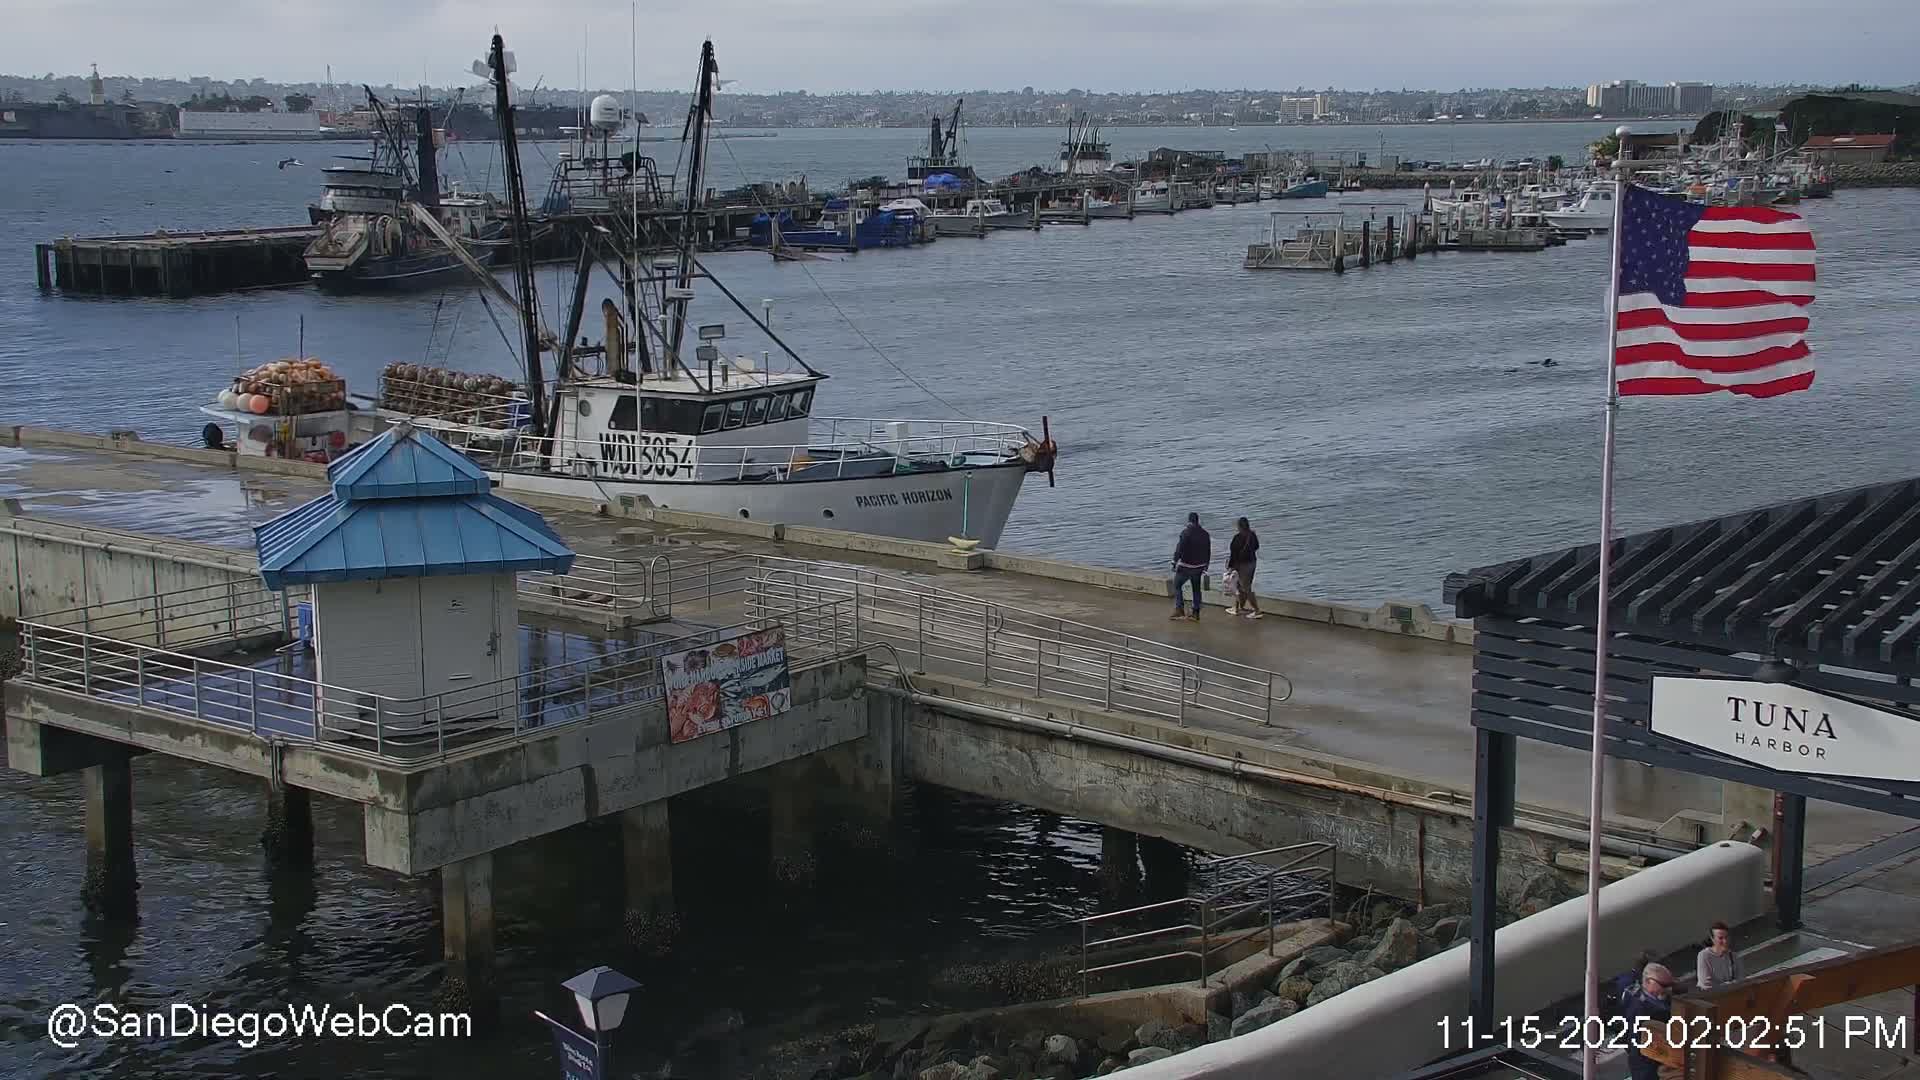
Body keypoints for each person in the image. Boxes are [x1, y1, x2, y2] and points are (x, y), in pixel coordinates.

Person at [1619, 961, 1675, 1080]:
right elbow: (1635, 1041)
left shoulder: (1660, 1000)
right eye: (1663, 985)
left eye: (1670, 984)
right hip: (1647, 1064)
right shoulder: (1639, 1009)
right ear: (1648, 981)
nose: (1668, 989)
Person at [1170, 512, 1210, 622]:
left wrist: (1174, 561)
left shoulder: (1185, 533)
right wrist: (1206, 565)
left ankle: (1179, 610)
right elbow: (1208, 551)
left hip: (1186, 566)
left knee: (1177, 585)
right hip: (1199, 566)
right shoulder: (1205, 534)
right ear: (1198, 520)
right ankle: (1195, 613)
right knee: (1196, 589)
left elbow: (1179, 549)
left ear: (1189, 521)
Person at [1226, 517, 1262, 619]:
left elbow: (1233, 554)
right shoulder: (1252, 535)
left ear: (1239, 526)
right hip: (1252, 563)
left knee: (1245, 587)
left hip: (1241, 565)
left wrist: (1230, 567)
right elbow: (1256, 547)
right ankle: (1237, 608)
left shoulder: (1237, 538)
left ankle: (1257, 610)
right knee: (1238, 585)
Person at [1696, 921, 1744, 989]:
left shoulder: (1734, 956)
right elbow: (1705, 984)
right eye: (1720, 938)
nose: (1725, 941)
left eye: (1726, 937)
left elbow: (1741, 979)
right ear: (1712, 939)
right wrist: (1728, 984)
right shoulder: (1704, 955)